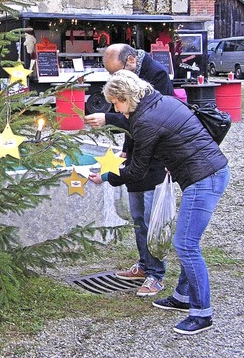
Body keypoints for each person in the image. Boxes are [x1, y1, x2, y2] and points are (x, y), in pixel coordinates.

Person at [90, 70, 230, 335]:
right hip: (208, 172)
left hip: (204, 178)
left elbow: (137, 170)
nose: (116, 110)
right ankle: (182, 297)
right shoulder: (162, 101)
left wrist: (107, 177)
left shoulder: (145, 121)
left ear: (125, 97)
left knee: (186, 245)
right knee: (188, 241)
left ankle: (202, 314)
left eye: (116, 104)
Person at [85, 43, 173, 296]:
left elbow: (143, 120)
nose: (115, 107)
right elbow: (132, 122)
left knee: (150, 220)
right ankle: (145, 265)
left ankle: (157, 274)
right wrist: (125, 150)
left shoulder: (156, 77)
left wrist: (107, 176)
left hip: (153, 161)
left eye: (116, 73)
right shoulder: (132, 85)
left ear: (131, 61)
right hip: (137, 154)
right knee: (138, 219)